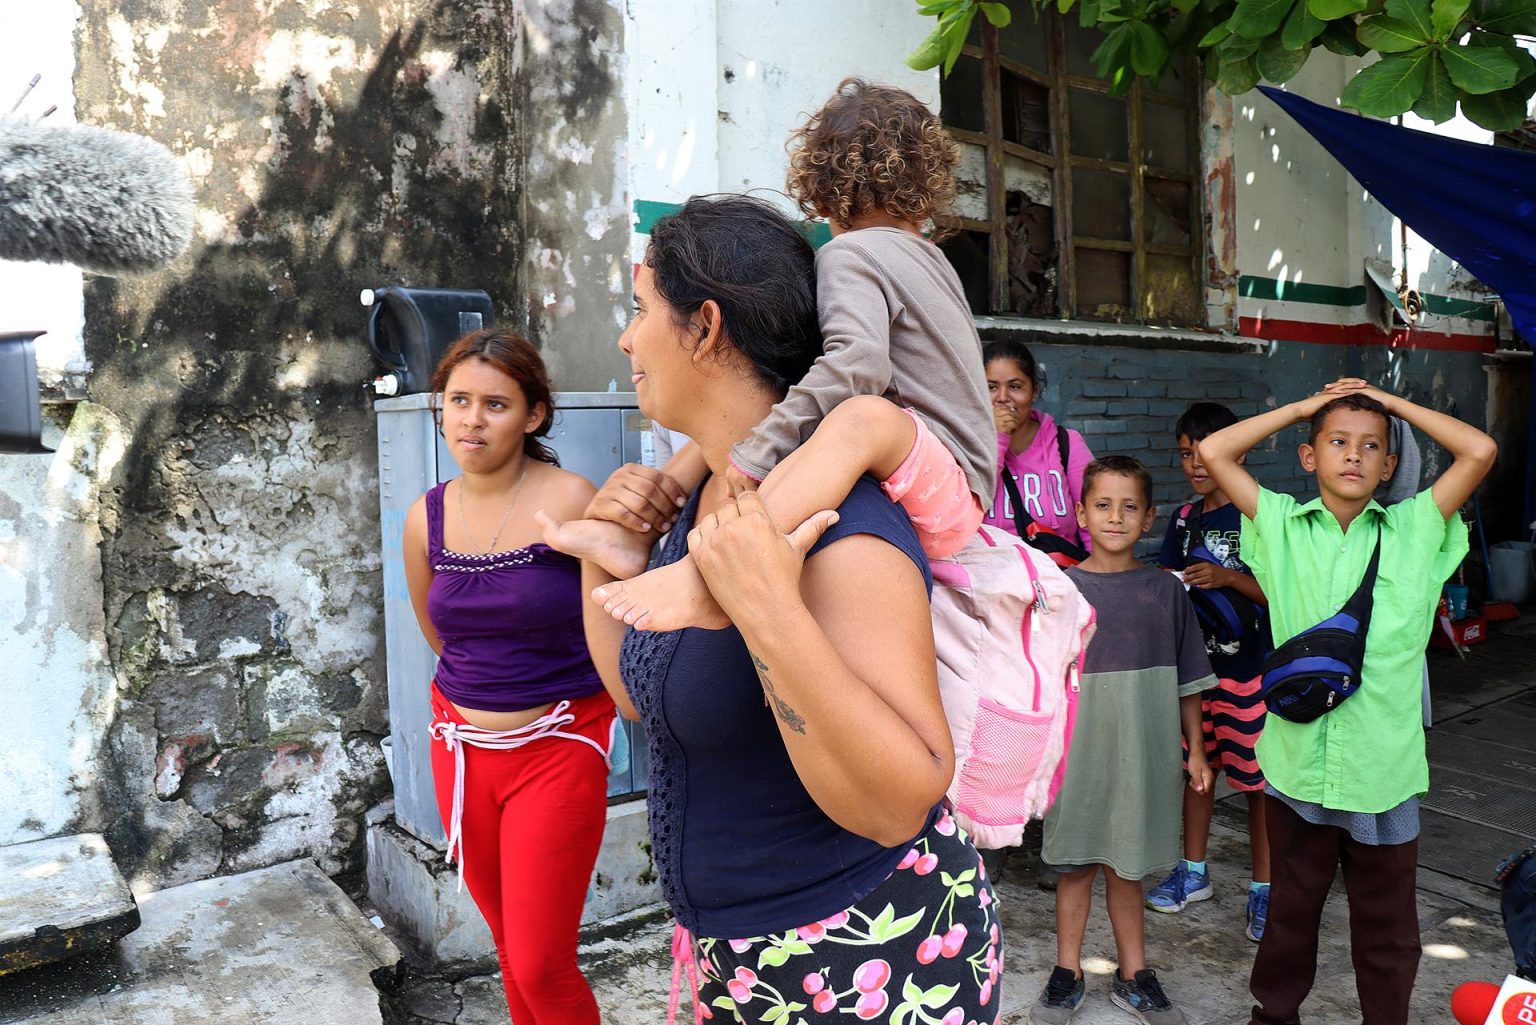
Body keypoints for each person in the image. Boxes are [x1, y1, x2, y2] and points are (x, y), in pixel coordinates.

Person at [551, 194, 1002, 1023]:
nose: (625, 337)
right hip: (744, 961)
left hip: (869, 958)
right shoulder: (712, 493)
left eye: (641, 309)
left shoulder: (842, 526)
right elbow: (643, 696)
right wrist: (604, 561)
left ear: (706, 326)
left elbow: (899, 799)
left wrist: (768, 612)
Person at [567, 77, 995, 633]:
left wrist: (760, 451)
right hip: (971, 484)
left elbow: (858, 366)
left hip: (944, 481)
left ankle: (708, 578)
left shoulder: (849, 255)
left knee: (859, 418)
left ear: (819, 188)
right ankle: (668, 519)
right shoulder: (934, 261)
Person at [1197, 379, 1497, 1025]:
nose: (1354, 455)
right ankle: (1274, 1015)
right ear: (1310, 456)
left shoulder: (1417, 527)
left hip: (1380, 773)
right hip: (1299, 764)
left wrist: (1392, 405)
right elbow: (1218, 451)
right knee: (1290, 913)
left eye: (1371, 446)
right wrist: (1306, 407)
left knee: (1387, 926)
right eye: (1337, 441)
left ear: (1389, 465)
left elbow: (1478, 448)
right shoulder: (1279, 524)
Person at [401, 330, 617, 1025]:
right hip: (460, 755)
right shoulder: (423, 515)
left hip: (557, 748)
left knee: (540, 962)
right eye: (458, 400)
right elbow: (440, 634)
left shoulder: (573, 499)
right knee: (507, 946)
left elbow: (610, 627)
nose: (471, 418)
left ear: (533, 414)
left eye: (495, 403)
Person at [1032, 456, 1216, 1025]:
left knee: (1128, 869)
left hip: (1144, 754)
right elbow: (1037, 681)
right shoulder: (1060, 591)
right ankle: (1068, 971)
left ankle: (1134, 975)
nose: (1116, 517)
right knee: (1075, 866)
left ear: (1150, 518)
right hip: (1076, 756)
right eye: (1103, 505)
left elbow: (1189, 680)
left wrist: (1198, 751)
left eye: (1129, 506)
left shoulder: (1165, 592)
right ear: (1083, 514)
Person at [1146, 402, 1272, 943]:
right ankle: (1193, 873)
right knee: (1197, 773)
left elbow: (1285, 595)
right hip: (1198, 677)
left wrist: (1227, 578)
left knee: (1258, 785)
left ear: (1239, 450)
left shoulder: (1263, 516)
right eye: (1185, 454)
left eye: (1205, 450)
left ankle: (1265, 889)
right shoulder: (1182, 518)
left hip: (1251, 674)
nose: (1196, 463)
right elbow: (1170, 586)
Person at [983, 339, 1093, 550]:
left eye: (1015, 387)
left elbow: (1094, 524)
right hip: (991, 579)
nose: (1003, 398)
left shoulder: (1066, 444)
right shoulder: (965, 449)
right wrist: (998, 439)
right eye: (991, 387)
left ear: (1034, 391)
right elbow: (959, 517)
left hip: (1062, 578)